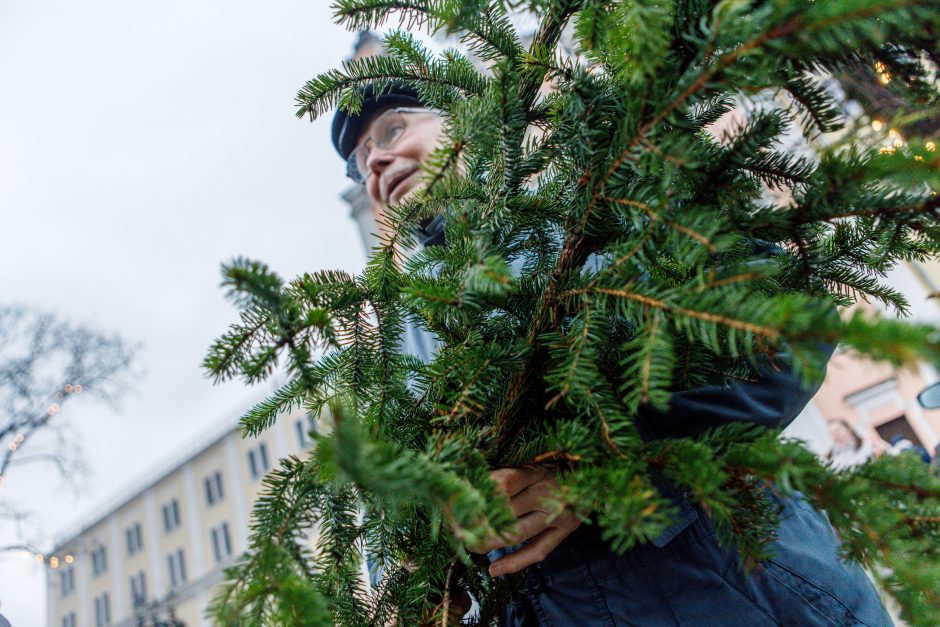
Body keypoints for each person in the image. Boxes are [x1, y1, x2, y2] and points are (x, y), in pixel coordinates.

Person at [331, 84, 891, 625]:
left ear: (461, 120)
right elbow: (387, 514)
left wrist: (598, 471)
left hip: (740, 592)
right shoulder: (398, 337)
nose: (375, 162)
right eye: (360, 162)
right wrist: (423, 568)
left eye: (392, 129)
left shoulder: (593, 201)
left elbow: (781, 326)